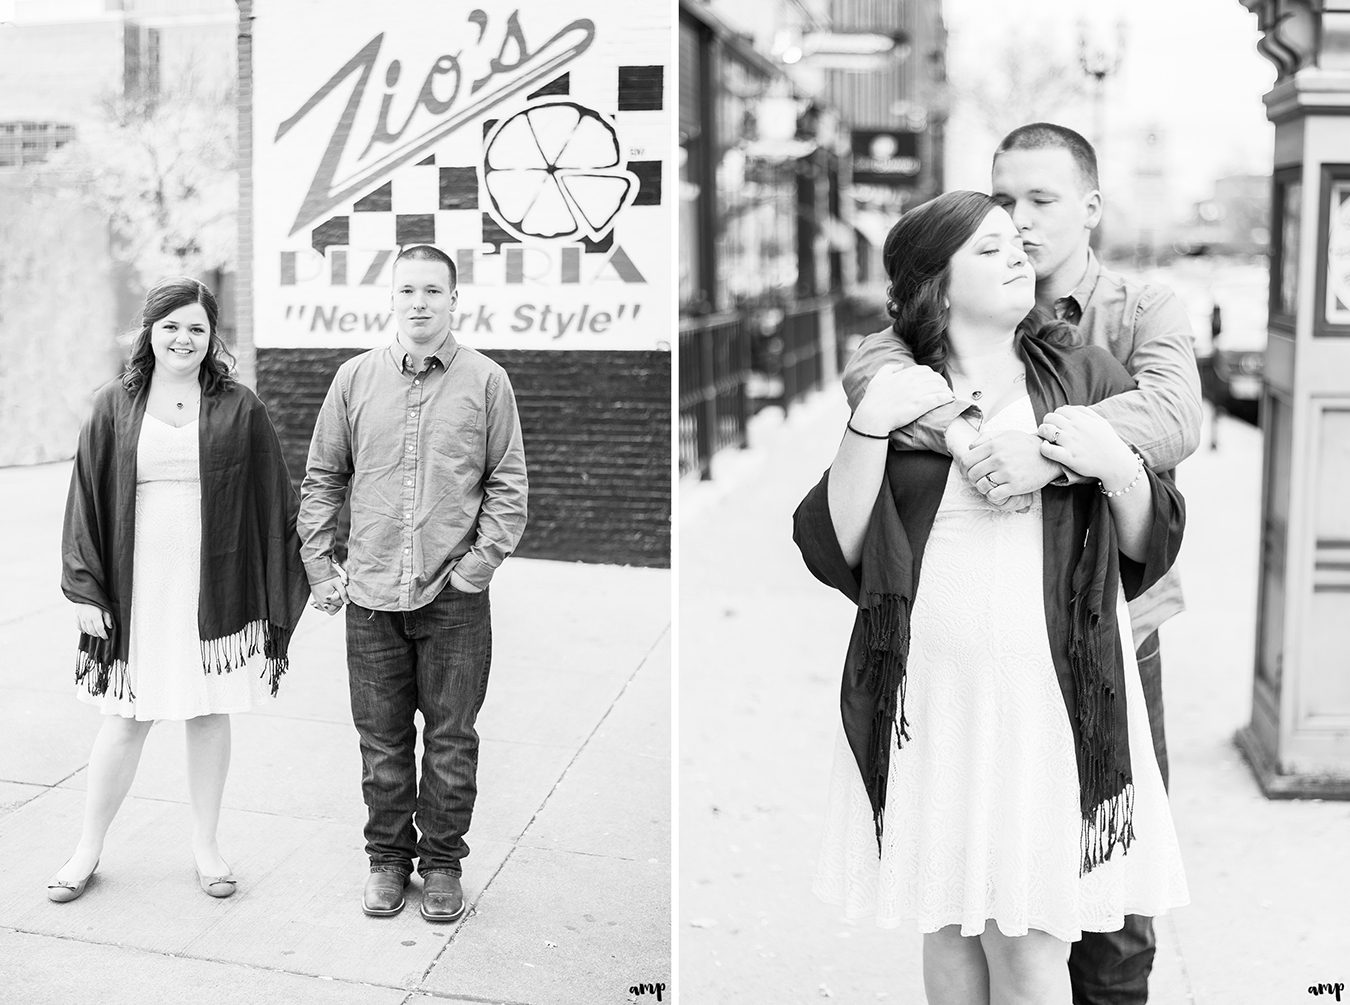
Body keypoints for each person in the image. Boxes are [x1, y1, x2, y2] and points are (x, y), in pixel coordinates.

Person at [794, 190, 1190, 1005]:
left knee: (1031, 943)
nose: (1015, 256)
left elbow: (1146, 541)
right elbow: (843, 544)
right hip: (934, 692)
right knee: (948, 930)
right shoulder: (901, 389)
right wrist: (868, 430)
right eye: (988, 248)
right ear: (934, 283)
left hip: (1052, 691)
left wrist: (1113, 465)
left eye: (1016, 242)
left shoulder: (1080, 371)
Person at [52, 277, 310, 903]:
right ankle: (87, 848)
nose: (183, 338)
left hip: (212, 584)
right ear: (150, 331)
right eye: (170, 325)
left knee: (207, 712)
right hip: (135, 585)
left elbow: (275, 495)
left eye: (196, 328)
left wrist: (317, 562)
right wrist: (86, 590)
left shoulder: (239, 406)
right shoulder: (113, 402)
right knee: (125, 719)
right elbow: (84, 498)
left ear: (211, 337)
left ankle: (207, 847)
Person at [299, 244, 528, 922]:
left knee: (453, 738)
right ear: (392, 299)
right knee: (383, 740)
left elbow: (507, 485)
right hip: (370, 594)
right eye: (408, 290)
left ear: (456, 300)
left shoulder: (488, 382)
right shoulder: (352, 380)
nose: (420, 301)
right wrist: (319, 563)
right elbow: (322, 478)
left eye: (434, 290)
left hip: (452, 597)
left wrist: (474, 568)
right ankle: (388, 859)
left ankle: (443, 864)